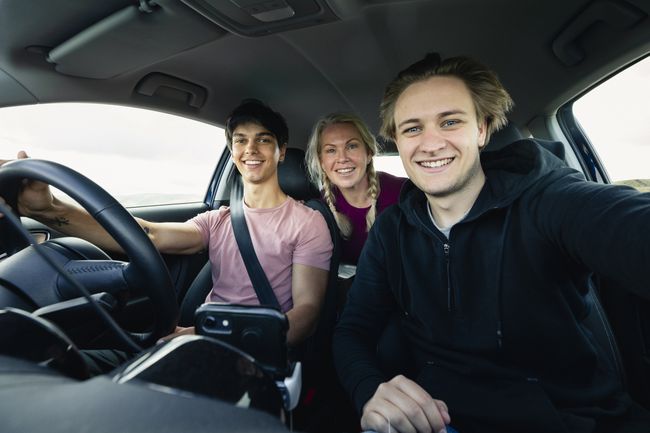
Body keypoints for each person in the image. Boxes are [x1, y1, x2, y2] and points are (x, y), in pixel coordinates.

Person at [332, 53, 650, 433]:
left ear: (482, 130)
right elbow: (352, 330)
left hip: (567, 420)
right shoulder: (391, 231)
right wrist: (369, 389)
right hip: (439, 421)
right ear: (397, 141)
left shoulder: (546, 201)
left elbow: (625, 224)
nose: (430, 144)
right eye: (413, 129)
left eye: (450, 122)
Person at [0, 99, 333, 348]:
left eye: (263, 139)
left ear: (281, 151)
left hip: (256, 345)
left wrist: (208, 336)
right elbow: (150, 235)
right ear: (232, 151)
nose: (251, 149)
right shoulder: (218, 220)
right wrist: (48, 210)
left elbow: (306, 314)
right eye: (241, 140)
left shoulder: (307, 223)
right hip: (201, 336)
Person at [305, 112, 405, 265]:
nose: (343, 158)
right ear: (322, 161)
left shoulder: (404, 193)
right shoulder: (317, 211)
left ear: (369, 152)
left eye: (351, 146)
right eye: (331, 150)